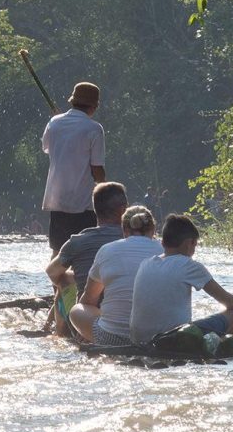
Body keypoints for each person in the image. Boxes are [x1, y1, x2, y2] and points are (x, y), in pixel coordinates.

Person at [129, 213, 233, 346]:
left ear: (162, 242)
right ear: (190, 243)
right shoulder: (188, 265)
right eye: (195, 246)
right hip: (172, 340)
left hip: (139, 340)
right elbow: (230, 302)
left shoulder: (146, 263)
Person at [68, 204, 161, 345]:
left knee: (76, 310)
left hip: (112, 338)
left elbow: (89, 300)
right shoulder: (166, 251)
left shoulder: (107, 250)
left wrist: (85, 330)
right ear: (153, 229)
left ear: (123, 230)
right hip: (157, 339)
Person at [43, 181, 126, 336]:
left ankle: (59, 335)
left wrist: (76, 279)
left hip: (90, 322)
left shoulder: (78, 241)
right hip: (131, 319)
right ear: (123, 210)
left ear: (95, 210)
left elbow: (52, 273)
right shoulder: (139, 240)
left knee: (65, 279)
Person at [41, 81, 107, 251]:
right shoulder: (94, 128)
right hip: (83, 203)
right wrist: (105, 193)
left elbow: (46, 148)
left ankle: (55, 278)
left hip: (57, 200)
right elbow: (97, 168)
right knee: (86, 252)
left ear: (72, 101)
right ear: (94, 106)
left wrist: (57, 121)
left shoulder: (54, 123)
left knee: (58, 252)